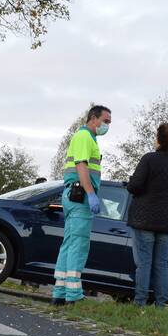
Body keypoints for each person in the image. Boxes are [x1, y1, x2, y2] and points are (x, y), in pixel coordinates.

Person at [125, 122, 168, 307]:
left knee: (144, 263)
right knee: (161, 264)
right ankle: (161, 304)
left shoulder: (149, 159)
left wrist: (131, 182)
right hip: (167, 221)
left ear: (159, 140)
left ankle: (140, 302)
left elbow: (135, 186)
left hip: (144, 219)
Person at [52, 105, 110, 306]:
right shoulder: (85, 137)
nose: (107, 125)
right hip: (81, 197)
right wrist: (91, 194)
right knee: (79, 244)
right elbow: (81, 166)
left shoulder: (85, 138)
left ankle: (60, 291)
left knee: (69, 243)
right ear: (93, 118)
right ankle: (73, 295)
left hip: (73, 195)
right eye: (105, 121)